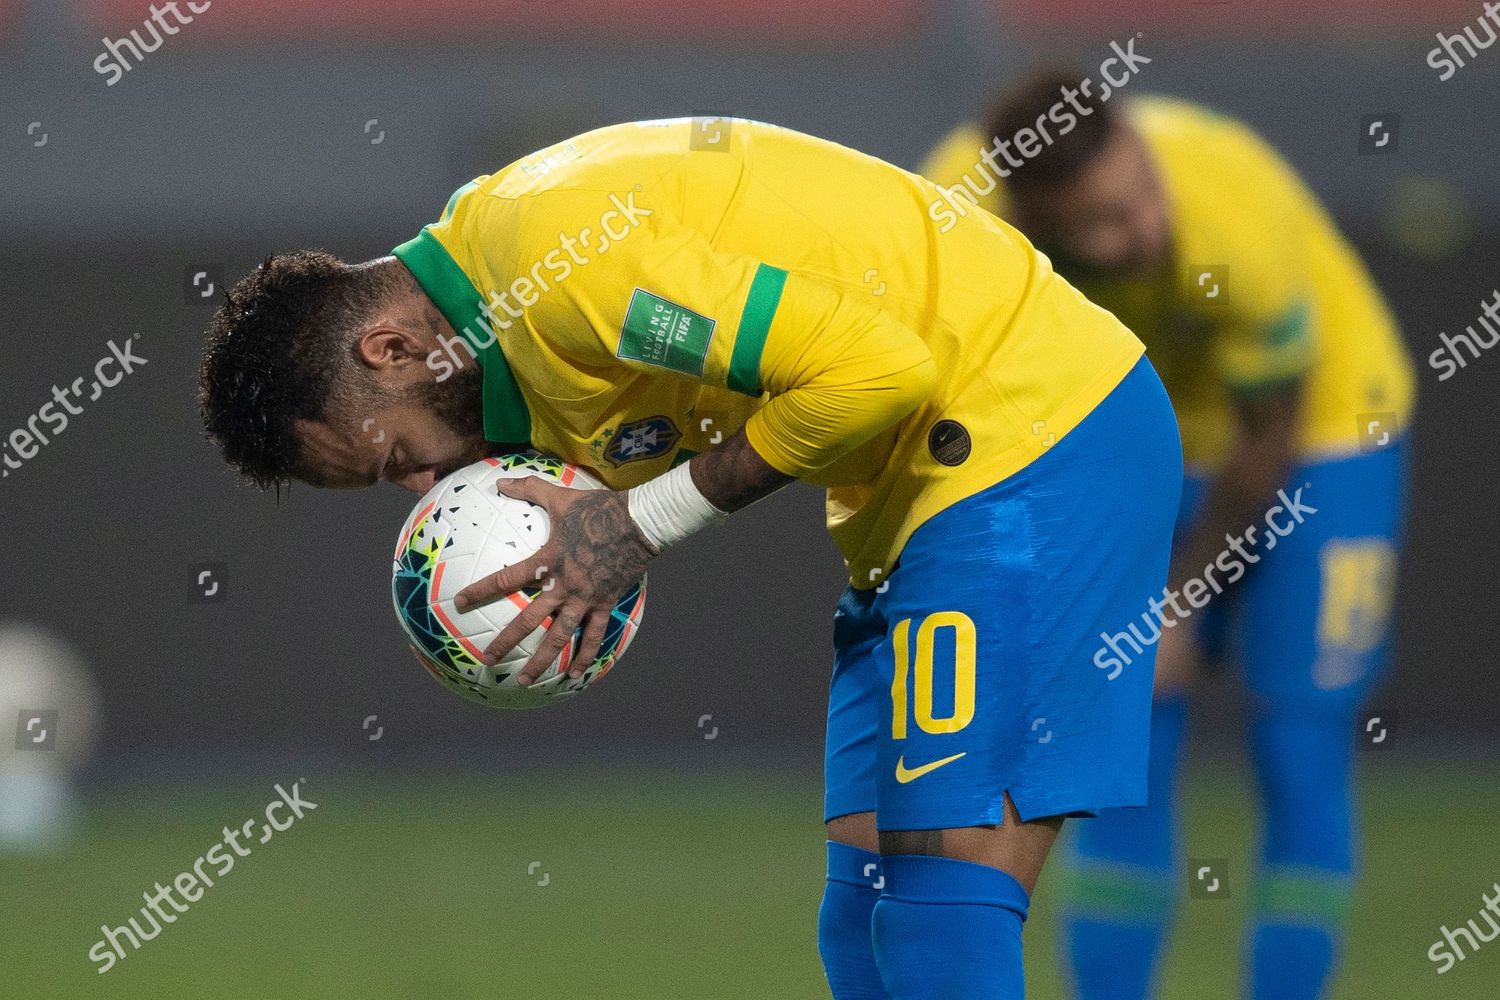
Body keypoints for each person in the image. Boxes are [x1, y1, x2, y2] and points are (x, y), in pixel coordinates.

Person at [199, 116, 1181, 999]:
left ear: (388, 350)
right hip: (920, 497)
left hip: (1032, 435)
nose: (427, 486)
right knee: (863, 927)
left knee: (937, 918)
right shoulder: (499, 307)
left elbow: (881, 371)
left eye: (398, 461)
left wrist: (639, 523)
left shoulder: (559, 266)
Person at [921, 75, 1415, 999]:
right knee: (1112, 760)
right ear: (1030, 218)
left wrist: (1175, 606)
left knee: (1300, 744)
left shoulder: (1233, 213)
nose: (1140, 232)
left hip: (1325, 433)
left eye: (1139, 197)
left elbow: (1266, 437)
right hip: (1132, 442)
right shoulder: (953, 232)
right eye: (1101, 224)